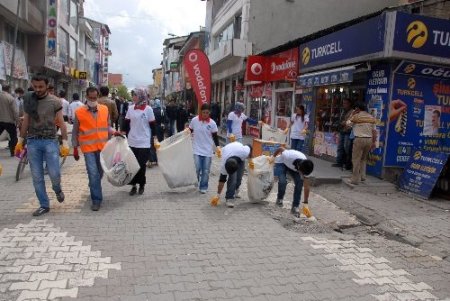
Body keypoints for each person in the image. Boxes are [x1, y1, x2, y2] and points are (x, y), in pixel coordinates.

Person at [15, 73, 69, 216]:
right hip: (33, 142)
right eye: (35, 86)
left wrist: (65, 142)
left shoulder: (55, 101)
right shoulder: (28, 99)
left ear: (47, 86)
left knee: (54, 173)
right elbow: (26, 120)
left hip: (50, 141)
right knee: (37, 176)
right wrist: (20, 141)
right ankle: (44, 204)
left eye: (41, 86)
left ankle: (57, 189)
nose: (37, 89)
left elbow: (61, 123)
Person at [72, 87, 116, 211]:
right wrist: (75, 148)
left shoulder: (104, 109)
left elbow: (107, 127)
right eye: (90, 98)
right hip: (88, 149)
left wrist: (115, 132)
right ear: (86, 97)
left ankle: (93, 185)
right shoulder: (79, 112)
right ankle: (96, 200)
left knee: (100, 173)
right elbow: (75, 131)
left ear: (98, 97)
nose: (92, 100)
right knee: (93, 173)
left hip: (102, 147)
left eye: (94, 98)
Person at [121, 88, 156, 196]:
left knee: (141, 165)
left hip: (144, 141)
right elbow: (126, 123)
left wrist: (154, 138)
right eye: (133, 95)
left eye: (135, 95)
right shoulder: (131, 108)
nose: (133, 97)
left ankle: (141, 184)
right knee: (132, 165)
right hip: (132, 141)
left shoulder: (148, 109)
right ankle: (133, 186)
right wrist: (122, 134)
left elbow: (153, 125)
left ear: (141, 96)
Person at [271, 147, 314, 218]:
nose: (303, 175)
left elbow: (306, 186)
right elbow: (280, 148)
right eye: (302, 173)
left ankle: (295, 207)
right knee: (283, 181)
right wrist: (273, 157)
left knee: (299, 183)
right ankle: (279, 199)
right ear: (299, 168)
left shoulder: (307, 167)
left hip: (294, 167)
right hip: (282, 163)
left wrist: (306, 203)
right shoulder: (288, 156)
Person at [188, 103, 221, 194]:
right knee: (197, 168)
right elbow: (189, 131)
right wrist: (184, 134)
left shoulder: (212, 123)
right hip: (196, 149)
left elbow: (215, 136)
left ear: (209, 112)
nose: (205, 114)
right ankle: (196, 181)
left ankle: (203, 186)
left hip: (207, 150)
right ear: (200, 112)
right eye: (204, 112)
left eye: (207, 112)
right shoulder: (194, 120)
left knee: (206, 170)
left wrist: (218, 147)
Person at [213, 142, 252, 208]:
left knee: (239, 177)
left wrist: (250, 160)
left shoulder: (245, 152)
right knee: (232, 180)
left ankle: (236, 189)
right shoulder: (224, 165)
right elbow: (222, 180)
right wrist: (218, 195)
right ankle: (229, 198)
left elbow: (249, 145)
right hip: (228, 152)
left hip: (239, 153)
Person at [346, 102, 377, 185]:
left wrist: (352, 114)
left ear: (358, 109)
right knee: (363, 159)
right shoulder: (371, 117)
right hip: (369, 139)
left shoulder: (356, 116)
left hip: (359, 139)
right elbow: (374, 131)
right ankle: (363, 176)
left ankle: (355, 180)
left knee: (356, 159)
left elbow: (348, 123)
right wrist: (374, 142)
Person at [333, 99, 354, 170]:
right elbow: (340, 121)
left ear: (349, 104)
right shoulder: (343, 111)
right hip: (342, 131)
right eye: (343, 103)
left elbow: (350, 121)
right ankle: (339, 162)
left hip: (348, 131)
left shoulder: (352, 112)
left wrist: (344, 122)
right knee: (340, 147)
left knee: (347, 148)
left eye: (346, 103)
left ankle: (347, 163)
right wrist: (337, 129)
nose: (344, 105)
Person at [0, 84, 19, 156]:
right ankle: (12, 151)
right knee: (13, 136)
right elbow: (15, 112)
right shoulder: (10, 98)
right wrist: (18, 121)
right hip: (9, 121)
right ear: (9, 89)